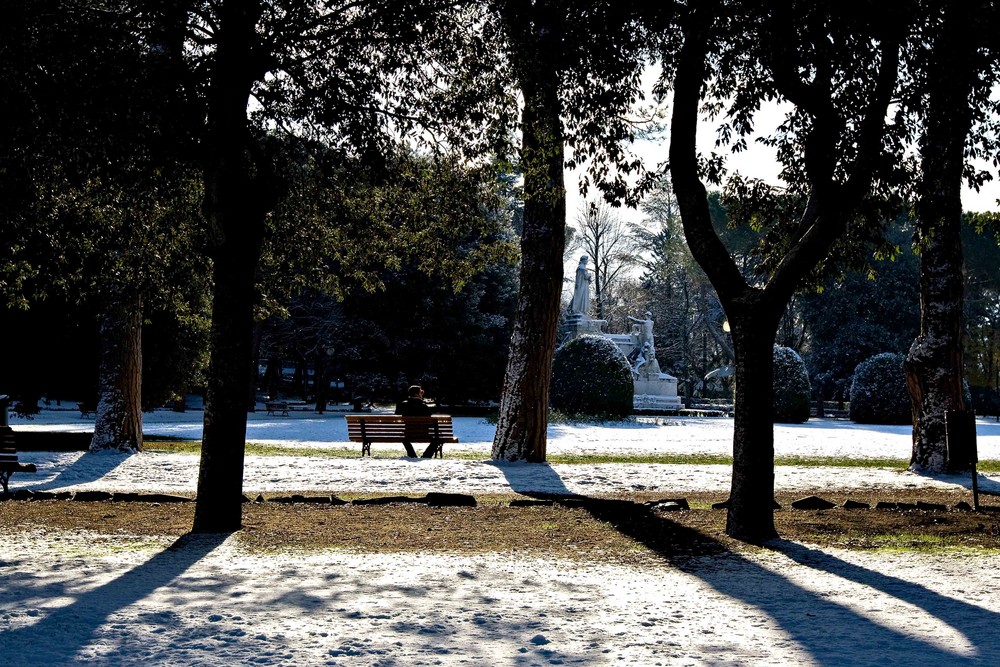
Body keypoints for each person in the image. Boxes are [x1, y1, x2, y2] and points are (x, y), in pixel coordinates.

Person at [395, 385, 431, 457]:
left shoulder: (404, 405)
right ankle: (426, 455)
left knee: (404, 439)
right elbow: (429, 416)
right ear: (416, 394)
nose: (422, 393)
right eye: (421, 392)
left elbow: (397, 412)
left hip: (408, 433)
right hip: (424, 433)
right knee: (437, 440)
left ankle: (412, 455)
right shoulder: (423, 406)